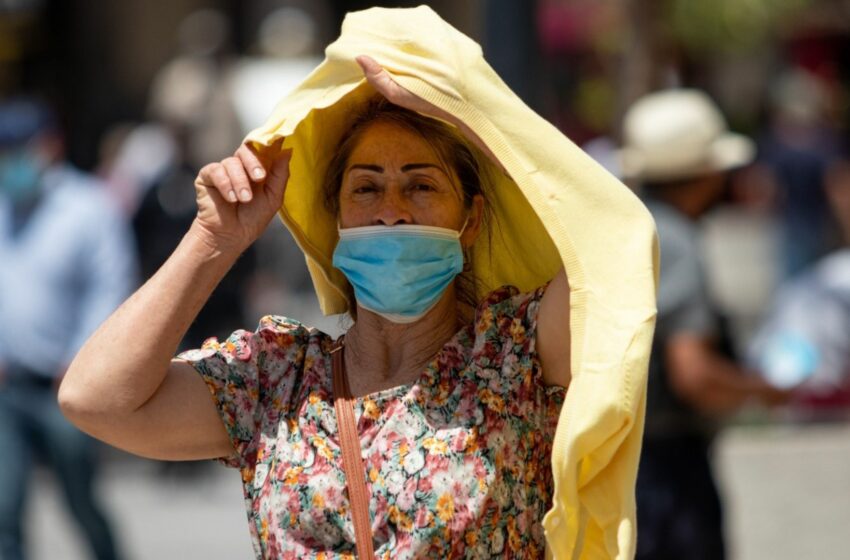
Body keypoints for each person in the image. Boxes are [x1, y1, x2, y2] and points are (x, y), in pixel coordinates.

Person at [59, 6, 658, 559]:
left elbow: (618, 240)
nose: (391, 211)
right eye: (366, 188)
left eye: (421, 186)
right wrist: (214, 240)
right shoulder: (279, 382)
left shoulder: (515, 356)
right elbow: (94, 399)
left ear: (470, 219)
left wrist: (473, 117)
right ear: (338, 222)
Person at [618, 89, 789, 560]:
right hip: (665, 465)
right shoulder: (676, 241)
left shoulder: (629, 223)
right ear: (708, 173)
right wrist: (763, 390)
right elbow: (692, 374)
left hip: (620, 462)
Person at [0, 98, 134, 560]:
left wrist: (82, 356)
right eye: (5, 149)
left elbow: (111, 287)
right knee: (4, 507)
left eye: (22, 147)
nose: (12, 160)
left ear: (51, 144)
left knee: (80, 500)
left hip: (67, 387)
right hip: (8, 387)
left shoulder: (88, 207)